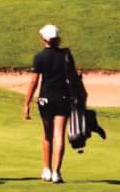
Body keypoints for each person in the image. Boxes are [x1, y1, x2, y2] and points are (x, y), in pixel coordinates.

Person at [22, 23, 81, 183]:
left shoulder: (39, 57)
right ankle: (56, 172)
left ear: (44, 39)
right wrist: (77, 97)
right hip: (63, 97)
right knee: (59, 135)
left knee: (47, 135)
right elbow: (73, 78)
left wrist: (26, 103)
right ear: (58, 39)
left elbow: (33, 82)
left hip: (45, 99)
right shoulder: (66, 55)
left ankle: (46, 169)